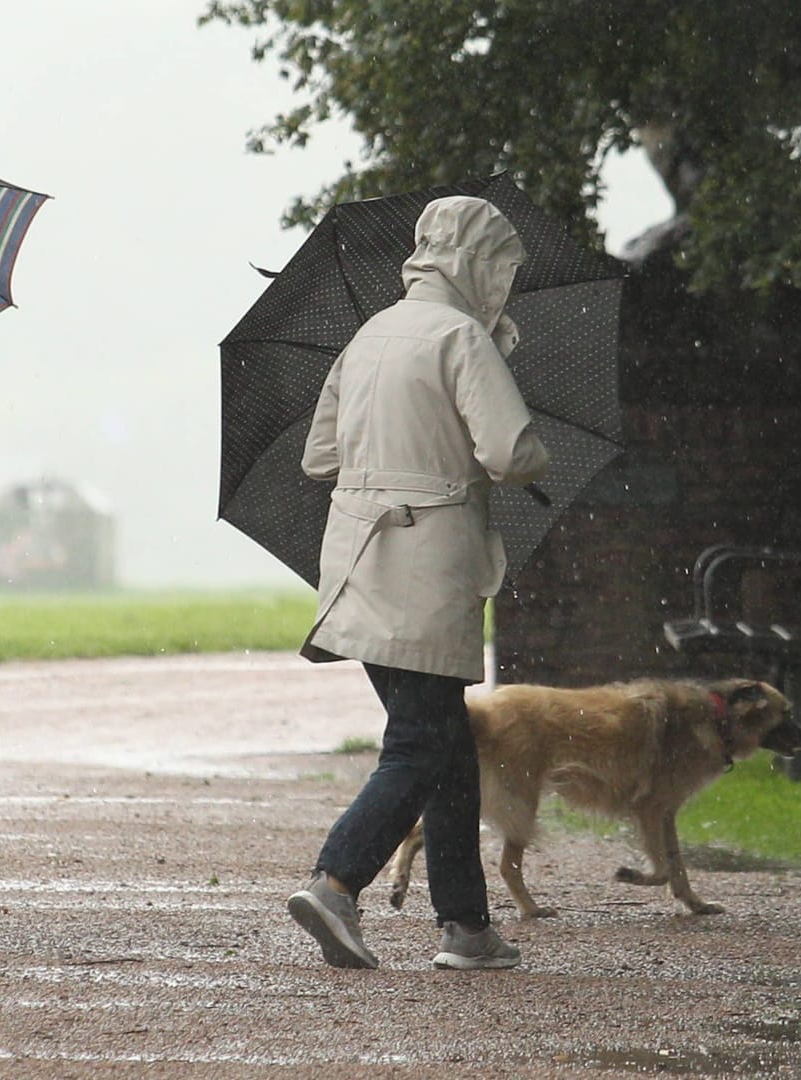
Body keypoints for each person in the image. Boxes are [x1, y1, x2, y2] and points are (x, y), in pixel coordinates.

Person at [287, 195, 550, 971]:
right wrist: (523, 453)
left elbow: (318, 458)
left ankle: (466, 928)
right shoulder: (461, 337)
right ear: (477, 261)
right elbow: (509, 451)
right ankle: (336, 883)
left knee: (446, 749)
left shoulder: (368, 335)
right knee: (418, 747)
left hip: (360, 565)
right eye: (500, 266)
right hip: (429, 566)